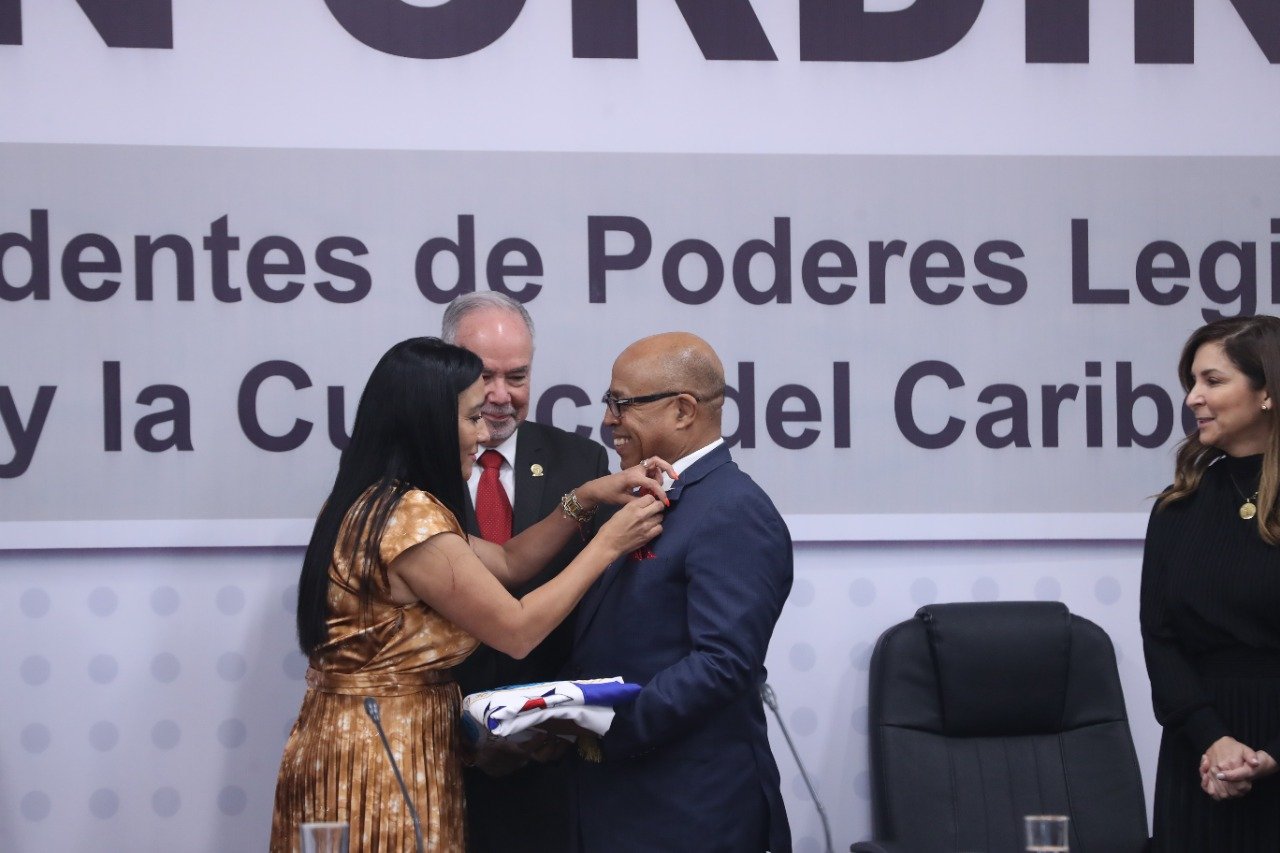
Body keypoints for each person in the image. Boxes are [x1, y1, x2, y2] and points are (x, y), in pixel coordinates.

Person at [269, 337, 668, 852]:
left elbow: (508, 563)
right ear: (429, 424)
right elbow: (517, 630)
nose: (483, 434)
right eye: (472, 418)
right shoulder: (409, 519)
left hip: (355, 742)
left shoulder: (369, 501)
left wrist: (585, 497)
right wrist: (608, 544)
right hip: (383, 757)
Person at [563, 331, 793, 853]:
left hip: (690, 810)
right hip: (615, 802)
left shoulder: (733, 509)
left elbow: (723, 662)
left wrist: (600, 728)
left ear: (684, 410)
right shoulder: (638, 495)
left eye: (621, 403)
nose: (608, 420)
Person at [441, 292, 612, 852]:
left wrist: (563, 722)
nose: (500, 395)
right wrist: (467, 737)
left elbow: (601, 607)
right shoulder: (416, 472)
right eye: (483, 377)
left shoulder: (581, 464)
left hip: (550, 759)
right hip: (439, 757)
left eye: (516, 376)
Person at [1141, 315, 1280, 851]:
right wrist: (1213, 740)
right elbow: (1161, 639)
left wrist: (1271, 754)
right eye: (1192, 382)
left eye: (1213, 381)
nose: (1193, 398)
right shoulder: (1179, 506)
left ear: (1267, 391)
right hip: (1200, 755)